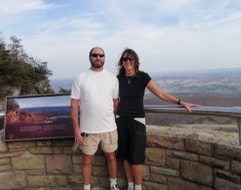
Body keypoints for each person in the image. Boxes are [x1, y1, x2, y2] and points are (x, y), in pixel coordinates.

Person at [116, 48, 200, 190]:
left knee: (136, 158)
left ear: (136, 61)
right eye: (125, 59)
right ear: (121, 62)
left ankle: (138, 187)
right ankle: (130, 185)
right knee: (124, 155)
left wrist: (180, 102)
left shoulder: (143, 77)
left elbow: (160, 93)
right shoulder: (118, 79)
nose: (128, 61)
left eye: (131, 59)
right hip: (121, 119)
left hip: (137, 120)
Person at [71, 47, 120, 190]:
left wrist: (112, 119)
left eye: (101, 55)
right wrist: (76, 129)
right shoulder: (81, 77)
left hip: (109, 128)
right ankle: (86, 188)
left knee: (111, 157)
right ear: (90, 57)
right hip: (87, 129)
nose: (98, 57)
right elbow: (74, 104)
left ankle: (113, 185)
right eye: (95, 55)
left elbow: (115, 102)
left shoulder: (112, 78)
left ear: (104, 58)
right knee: (87, 160)